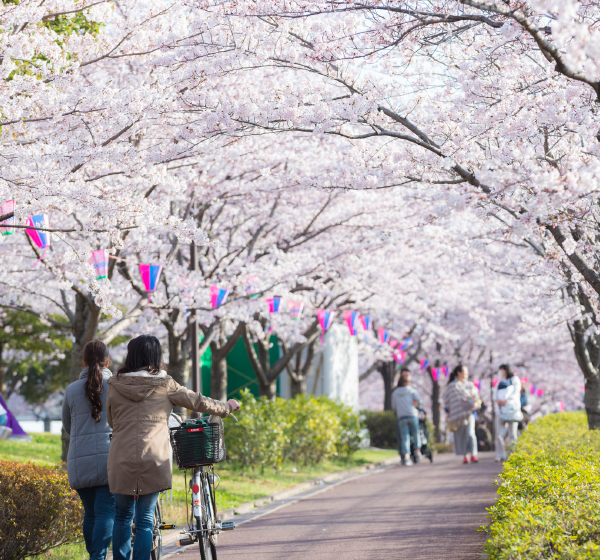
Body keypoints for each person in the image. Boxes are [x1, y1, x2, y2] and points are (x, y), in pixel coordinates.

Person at [107, 334, 241, 560]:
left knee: (121, 516)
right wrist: (225, 407)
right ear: (156, 356)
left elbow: (111, 420)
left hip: (120, 456)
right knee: (145, 519)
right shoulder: (165, 384)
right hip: (154, 457)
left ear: (131, 356)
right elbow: (198, 401)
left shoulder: (114, 385)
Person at [62, 340, 115, 560]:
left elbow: (67, 426)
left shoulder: (71, 390)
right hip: (109, 459)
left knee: (91, 513)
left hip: (79, 462)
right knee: (106, 512)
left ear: (83, 362)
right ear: (108, 361)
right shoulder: (116, 386)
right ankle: (98, 556)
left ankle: (95, 556)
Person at [443, 365, 481, 464]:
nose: (467, 373)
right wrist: (448, 411)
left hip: (469, 413)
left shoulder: (470, 385)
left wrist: (475, 404)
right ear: (459, 372)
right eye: (465, 371)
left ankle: (473, 454)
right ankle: (465, 455)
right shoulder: (452, 386)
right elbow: (448, 400)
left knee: (470, 434)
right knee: (462, 435)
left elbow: (475, 397)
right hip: (458, 415)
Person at [391, 369, 422, 466]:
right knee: (416, 434)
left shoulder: (395, 393)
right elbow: (419, 402)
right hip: (412, 415)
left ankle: (406, 457)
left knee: (405, 438)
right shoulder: (411, 390)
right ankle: (417, 452)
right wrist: (416, 407)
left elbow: (394, 407)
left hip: (401, 417)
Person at [494, 364, 522, 462]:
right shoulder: (500, 382)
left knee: (513, 435)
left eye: (502, 370)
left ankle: (512, 454)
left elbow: (516, 392)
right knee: (499, 435)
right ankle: (500, 455)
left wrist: (507, 400)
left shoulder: (514, 380)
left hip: (512, 410)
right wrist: (498, 401)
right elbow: (495, 395)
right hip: (501, 411)